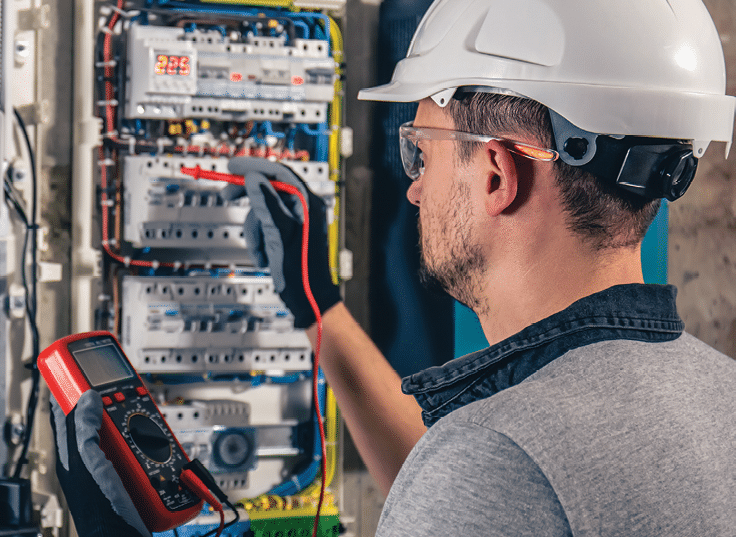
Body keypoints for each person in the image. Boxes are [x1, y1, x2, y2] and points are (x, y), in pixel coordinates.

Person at [52, 0, 736, 535]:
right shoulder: (717, 395)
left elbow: (484, 479)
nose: (414, 187)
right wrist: (318, 309)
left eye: (423, 152)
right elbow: (461, 484)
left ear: (497, 172)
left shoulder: (498, 460)